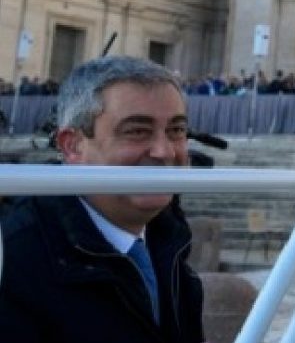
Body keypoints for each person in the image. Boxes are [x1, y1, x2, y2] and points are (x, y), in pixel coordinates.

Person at [0, 55, 206, 342]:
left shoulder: (170, 240)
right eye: (137, 131)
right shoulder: (12, 260)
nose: (165, 151)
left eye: (176, 130)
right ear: (72, 146)